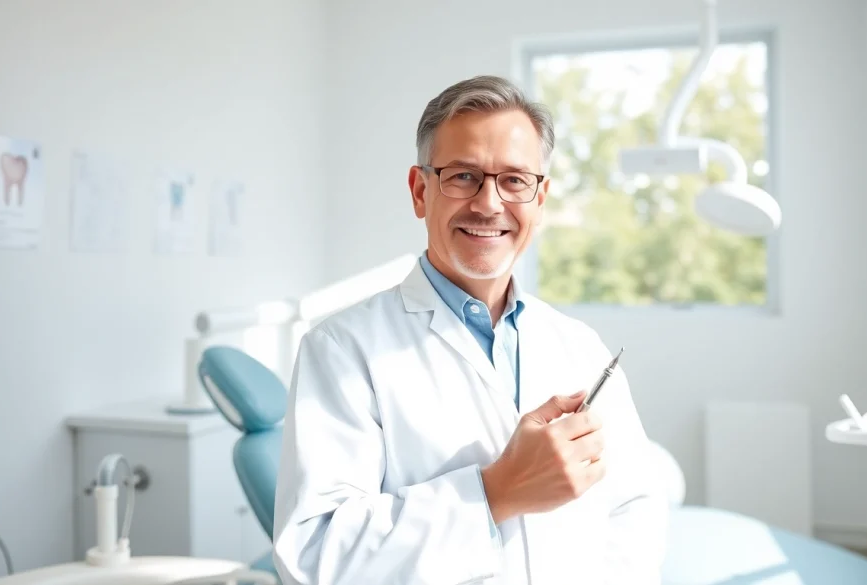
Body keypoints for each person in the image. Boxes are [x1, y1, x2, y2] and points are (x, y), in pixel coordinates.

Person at [272, 75, 669, 585]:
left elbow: (633, 507)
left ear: (540, 198)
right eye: (462, 176)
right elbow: (314, 555)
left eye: (515, 180)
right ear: (420, 191)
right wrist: (495, 493)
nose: (488, 203)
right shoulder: (342, 351)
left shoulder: (579, 347)